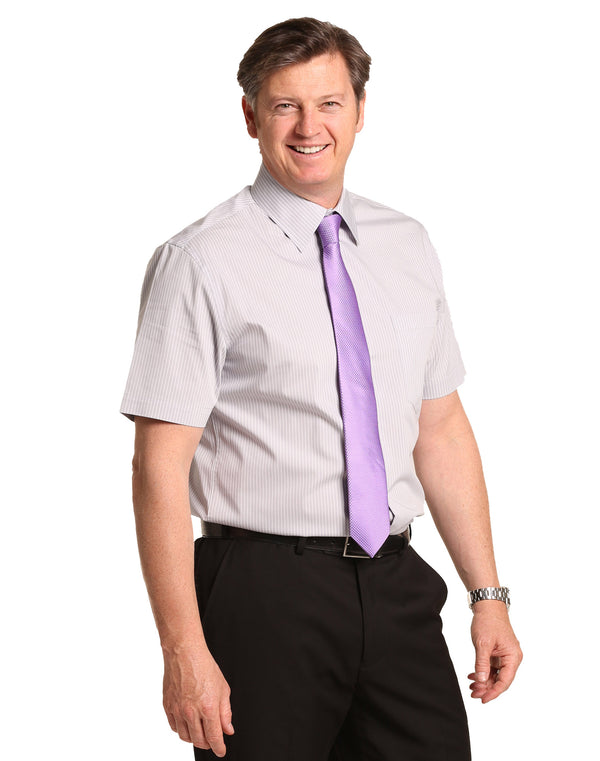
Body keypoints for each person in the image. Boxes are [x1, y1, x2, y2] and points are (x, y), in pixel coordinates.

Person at [121, 17, 522, 761]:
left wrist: (487, 594)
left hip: (397, 585)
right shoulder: (200, 261)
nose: (310, 127)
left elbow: (439, 428)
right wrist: (182, 648)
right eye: (286, 106)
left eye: (330, 103)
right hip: (264, 592)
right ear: (251, 116)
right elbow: (158, 467)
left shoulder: (406, 244)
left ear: (360, 111)